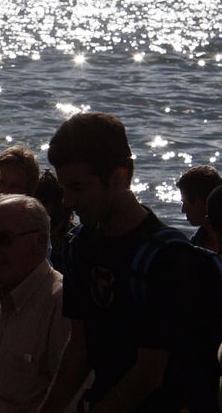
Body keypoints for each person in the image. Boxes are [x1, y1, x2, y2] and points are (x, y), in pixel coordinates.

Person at [39, 112, 219, 413]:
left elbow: (149, 372)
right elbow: (79, 347)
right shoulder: (80, 245)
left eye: (78, 188)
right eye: (64, 188)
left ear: (119, 178)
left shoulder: (167, 258)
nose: (67, 201)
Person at [0, 196, 72, 413]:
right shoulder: (0, 294)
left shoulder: (60, 303)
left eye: (5, 239)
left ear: (40, 242)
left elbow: (70, 397)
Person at [177, 165, 222, 251]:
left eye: (185, 203)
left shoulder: (196, 244)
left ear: (198, 202)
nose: (183, 210)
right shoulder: (197, 241)